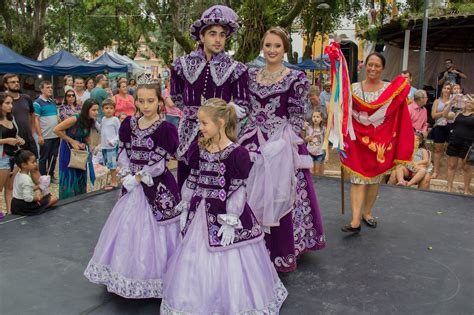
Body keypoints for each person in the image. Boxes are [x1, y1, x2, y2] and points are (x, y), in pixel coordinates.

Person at [161, 98, 287, 314]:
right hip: (200, 211)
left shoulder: (237, 153)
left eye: (204, 123)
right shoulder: (199, 147)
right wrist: (185, 202)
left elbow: (237, 188)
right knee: (193, 258)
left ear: (220, 122)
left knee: (230, 261)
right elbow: (192, 177)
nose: (200, 127)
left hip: (224, 213)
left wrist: (232, 217)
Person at [239, 27, 325, 272]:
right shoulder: (250, 75)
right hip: (251, 140)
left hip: (281, 142)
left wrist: (281, 143)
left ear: (285, 48)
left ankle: (279, 250)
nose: (272, 50)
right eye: (268, 45)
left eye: (277, 46)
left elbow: (298, 116)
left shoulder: (296, 78)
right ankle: (247, 246)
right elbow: (246, 109)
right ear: (262, 47)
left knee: (281, 193)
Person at [84, 84, 181, 299]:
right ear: (135, 102)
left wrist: (138, 177)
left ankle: (159, 276)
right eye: (141, 101)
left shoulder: (166, 129)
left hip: (157, 186)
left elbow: (161, 161)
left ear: (159, 102)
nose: (145, 105)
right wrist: (127, 171)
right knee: (127, 229)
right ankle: (125, 272)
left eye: (150, 101)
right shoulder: (129, 123)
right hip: (132, 185)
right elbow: (124, 150)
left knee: (159, 231)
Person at [170, 5, 249, 189]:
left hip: (220, 136)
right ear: (202, 36)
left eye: (222, 34)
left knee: (216, 186)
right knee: (185, 185)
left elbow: (243, 105)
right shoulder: (181, 65)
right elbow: (177, 97)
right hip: (188, 133)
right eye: (213, 34)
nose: (218, 39)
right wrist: (195, 116)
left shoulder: (236, 69)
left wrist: (220, 119)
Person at [340, 52, 414, 232]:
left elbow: (397, 111)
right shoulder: (353, 88)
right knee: (357, 179)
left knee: (373, 180)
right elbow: (345, 111)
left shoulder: (390, 89)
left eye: (377, 65)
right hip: (357, 141)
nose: (373, 68)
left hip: (380, 143)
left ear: (383, 68)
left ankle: (367, 213)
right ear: (365, 66)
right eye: (370, 64)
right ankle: (355, 220)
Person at [54, 99, 99, 199]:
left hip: (81, 150)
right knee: (69, 175)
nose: (96, 112)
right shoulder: (75, 118)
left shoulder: (90, 120)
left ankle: (80, 200)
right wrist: (72, 141)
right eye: (94, 110)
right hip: (68, 149)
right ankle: (66, 202)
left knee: (81, 175)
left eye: (97, 110)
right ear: (87, 110)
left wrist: (90, 145)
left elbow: (86, 136)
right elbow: (56, 130)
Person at [2, 74, 39, 161]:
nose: (16, 83)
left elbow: (32, 115)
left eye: (17, 81)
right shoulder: (3, 100)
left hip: (29, 140)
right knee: (15, 171)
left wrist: (32, 131)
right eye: (13, 82)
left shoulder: (26, 98)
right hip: (13, 143)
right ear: (6, 85)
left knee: (34, 166)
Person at [11, 150, 57, 216]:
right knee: (54, 199)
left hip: (15, 204)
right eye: (33, 162)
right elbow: (28, 198)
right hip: (24, 206)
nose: (35, 164)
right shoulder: (26, 179)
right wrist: (38, 197)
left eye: (35, 161)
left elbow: (25, 189)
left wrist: (40, 186)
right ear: (24, 165)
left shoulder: (19, 174)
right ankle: (38, 208)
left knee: (49, 197)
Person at [0, 93, 25, 215]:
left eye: (11, 103)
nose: (10, 106)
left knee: (10, 187)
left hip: (14, 155)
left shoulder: (11, 118)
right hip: (2, 157)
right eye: (7, 103)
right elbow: (6, 138)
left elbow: (13, 134)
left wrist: (19, 139)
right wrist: (6, 141)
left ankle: (10, 212)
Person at [446, 94, 473, 194]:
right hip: (455, 141)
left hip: (468, 143)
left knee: (466, 167)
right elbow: (445, 115)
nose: (469, 103)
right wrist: (450, 103)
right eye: (467, 102)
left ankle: (466, 190)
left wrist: (470, 98)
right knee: (452, 165)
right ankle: (449, 188)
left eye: (471, 102)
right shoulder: (458, 113)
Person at [33, 81, 60, 182]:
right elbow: (36, 120)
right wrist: (39, 135)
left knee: (53, 157)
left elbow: (57, 117)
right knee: (43, 158)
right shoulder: (37, 103)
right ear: (42, 89)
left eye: (51, 87)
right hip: (45, 136)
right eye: (48, 87)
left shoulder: (52, 102)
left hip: (55, 135)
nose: (50, 89)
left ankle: (51, 175)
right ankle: (43, 178)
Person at [96, 99, 120, 189]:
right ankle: (112, 180)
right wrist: (94, 122)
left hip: (112, 146)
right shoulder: (103, 119)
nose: (109, 110)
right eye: (106, 108)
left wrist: (114, 141)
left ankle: (114, 181)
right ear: (103, 109)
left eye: (111, 108)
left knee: (112, 165)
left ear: (114, 109)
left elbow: (119, 133)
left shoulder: (115, 120)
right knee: (108, 164)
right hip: (104, 146)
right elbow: (100, 129)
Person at [430, 83, 453, 178]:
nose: (447, 90)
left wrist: (446, 114)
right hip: (439, 126)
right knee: (437, 149)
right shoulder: (437, 101)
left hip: (451, 126)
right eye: (445, 88)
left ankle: (449, 173)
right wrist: (444, 113)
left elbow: (453, 115)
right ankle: (435, 171)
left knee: (451, 150)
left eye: (449, 88)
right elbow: (433, 116)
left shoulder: (454, 101)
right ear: (442, 89)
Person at [304, 111, 328, 175]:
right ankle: (311, 184)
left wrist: (327, 154)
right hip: (309, 152)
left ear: (321, 119)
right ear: (311, 118)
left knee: (317, 171)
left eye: (318, 117)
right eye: (313, 117)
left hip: (319, 153)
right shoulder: (309, 128)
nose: (315, 118)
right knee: (310, 171)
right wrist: (308, 138)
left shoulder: (323, 129)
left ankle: (316, 184)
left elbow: (326, 141)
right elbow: (305, 140)